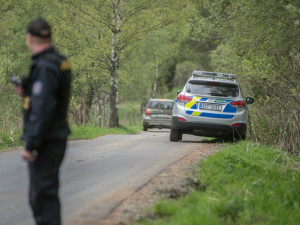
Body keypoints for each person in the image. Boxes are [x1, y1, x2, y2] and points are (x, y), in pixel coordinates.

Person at [12, 18, 72, 225]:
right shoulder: (59, 60)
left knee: (42, 199)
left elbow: (43, 109)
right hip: (55, 137)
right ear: (51, 37)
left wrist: (31, 144)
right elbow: (49, 97)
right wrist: (27, 92)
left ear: (29, 39)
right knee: (44, 195)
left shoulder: (45, 66)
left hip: (47, 140)